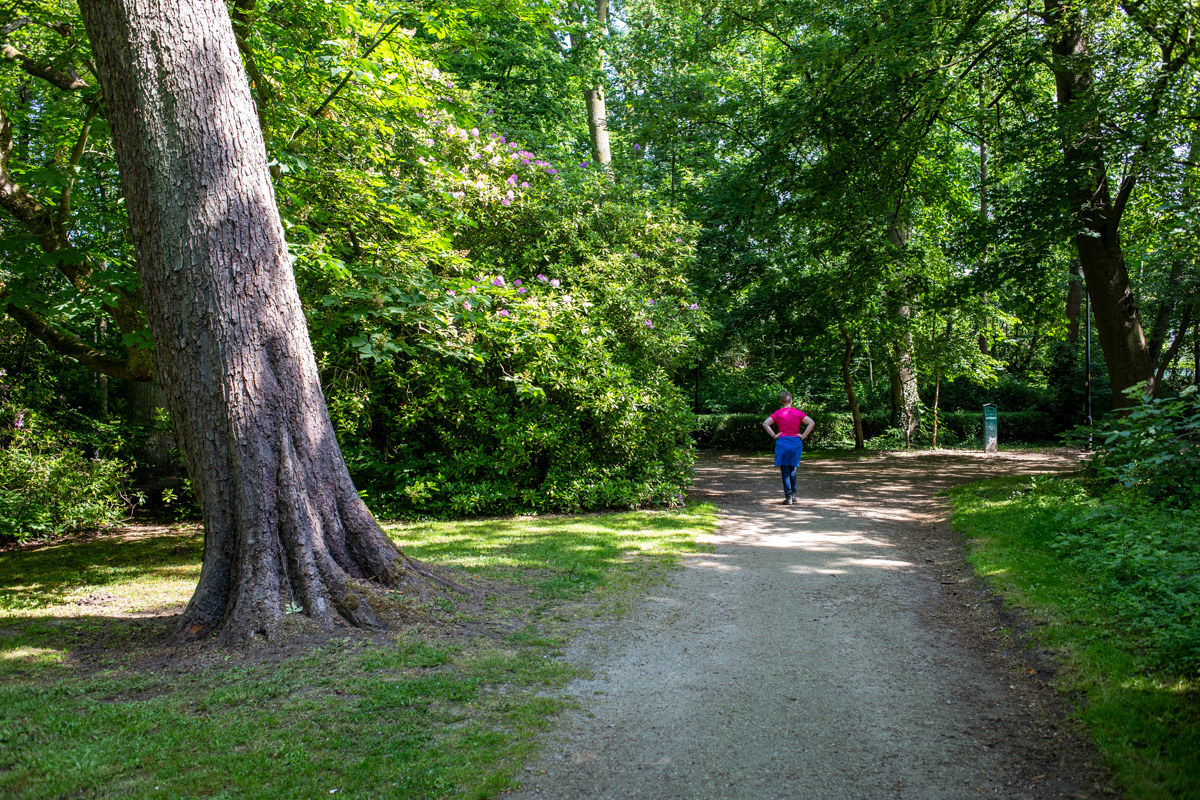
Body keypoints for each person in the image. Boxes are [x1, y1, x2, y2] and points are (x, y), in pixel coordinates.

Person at [762, 391, 815, 505]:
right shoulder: (798, 413)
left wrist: (774, 435)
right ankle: (794, 495)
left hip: (782, 443)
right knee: (793, 469)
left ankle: (788, 497)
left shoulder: (778, 413)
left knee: (785, 471)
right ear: (791, 400)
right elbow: (811, 423)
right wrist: (803, 435)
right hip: (795, 442)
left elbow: (765, 423)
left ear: (781, 401)